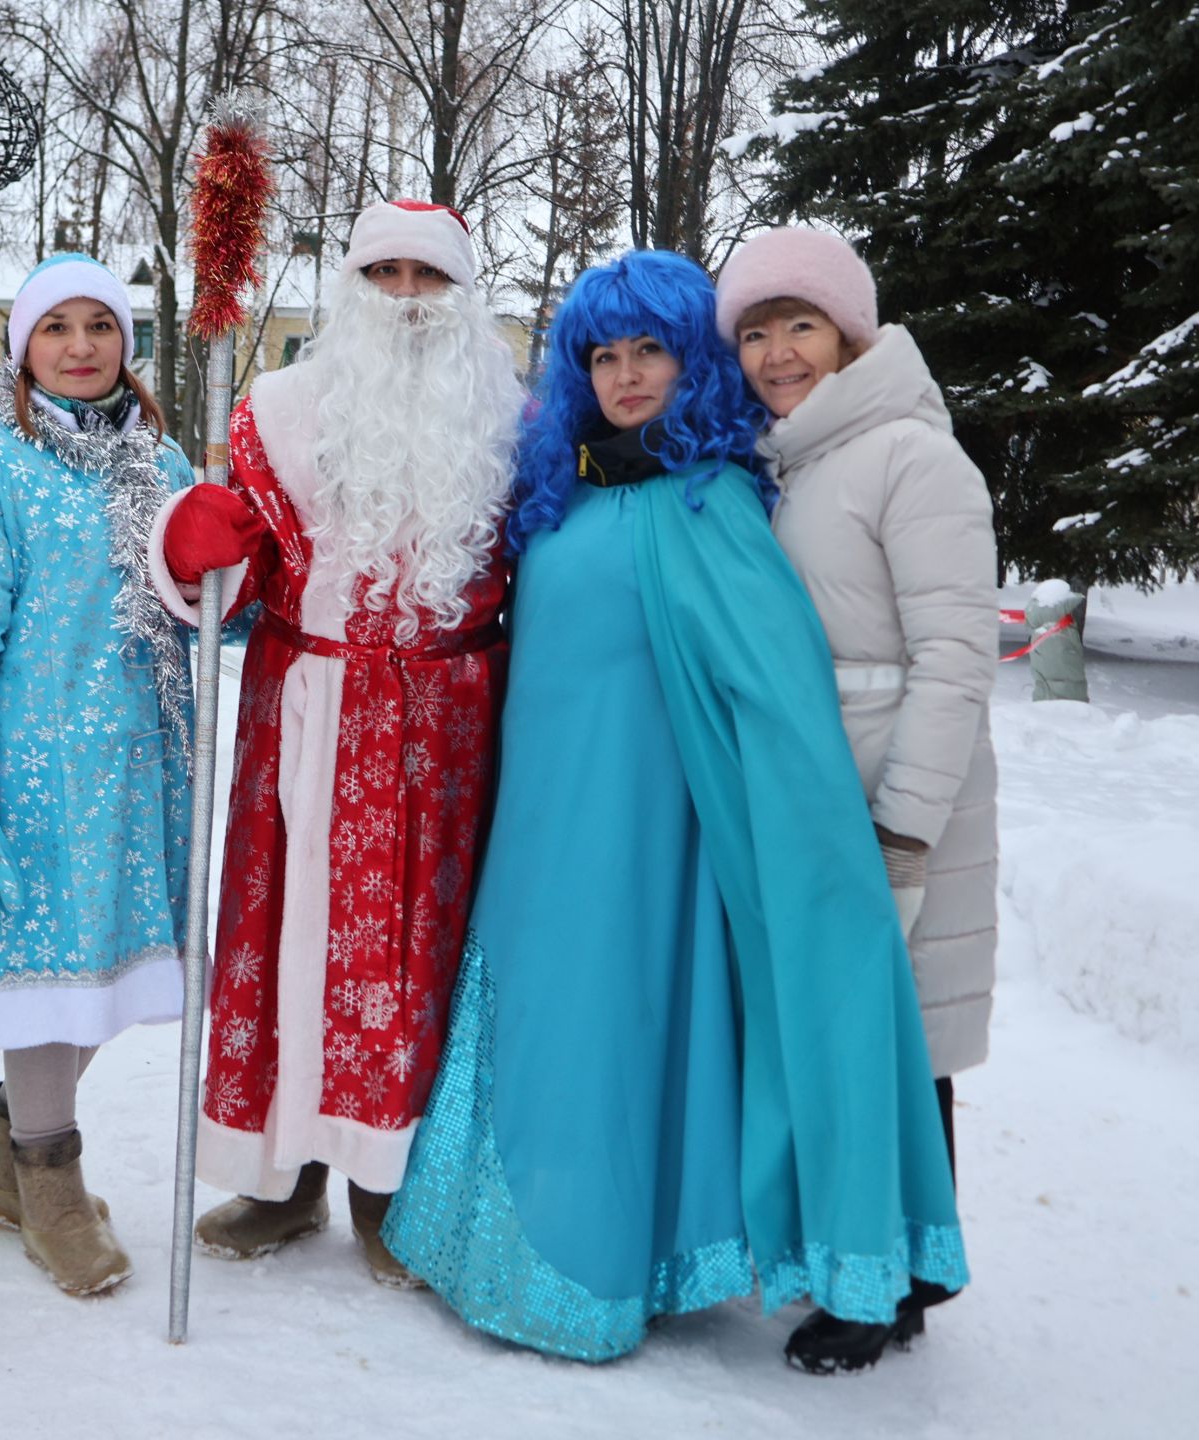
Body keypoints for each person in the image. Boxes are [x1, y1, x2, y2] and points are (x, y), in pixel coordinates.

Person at [381, 250, 967, 1367]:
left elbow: (778, 693)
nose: (627, 375)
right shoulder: (561, 490)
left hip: (643, 837)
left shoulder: (708, 501)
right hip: (538, 823)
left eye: (651, 349)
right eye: (603, 354)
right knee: (536, 1017)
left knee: (611, 1028)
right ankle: (492, 1235)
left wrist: (839, 848)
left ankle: (598, 1266)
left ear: (693, 360)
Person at [147, 200, 523, 1284]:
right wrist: (194, 545)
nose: (406, 298)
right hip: (306, 705)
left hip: (446, 726)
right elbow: (234, 575)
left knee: (416, 953)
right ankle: (284, 1176)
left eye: (430, 277)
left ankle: (389, 1184)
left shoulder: (515, 423)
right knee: (290, 939)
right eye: (384, 273)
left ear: (463, 296)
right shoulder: (276, 407)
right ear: (350, 289)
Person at [716, 226, 998, 1372]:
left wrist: (906, 827)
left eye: (802, 326)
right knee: (872, 1033)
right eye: (757, 331)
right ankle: (914, 1264)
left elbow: (957, 657)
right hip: (822, 792)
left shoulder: (912, 458)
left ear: (852, 333)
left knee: (895, 1038)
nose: (780, 353)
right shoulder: (805, 456)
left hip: (889, 793)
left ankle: (878, 1288)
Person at [0, 253, 192, 1296]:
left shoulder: (164, 466)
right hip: (34, 765)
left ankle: (0, 1160)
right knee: (45, 977)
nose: (81, 346)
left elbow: (203, 610)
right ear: (22, 347)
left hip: (141, 759)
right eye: (56, 327)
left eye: (100, 326)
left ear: (128, 343)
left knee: (110, 973)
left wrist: (231, 568)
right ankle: (48, 1178)